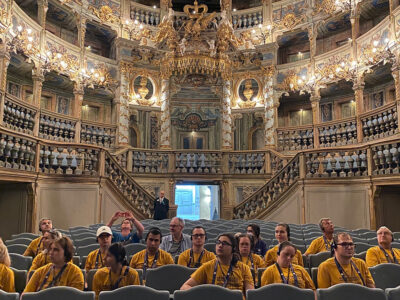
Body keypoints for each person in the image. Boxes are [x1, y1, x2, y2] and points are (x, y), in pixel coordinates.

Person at [180, 233, 254, 297]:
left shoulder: (244, 268)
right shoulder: (208, 266)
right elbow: (184, 287)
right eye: (218, 242)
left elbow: (250, 293)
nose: (220, 245)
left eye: (224, 243)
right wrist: (202, 295)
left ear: (234, 248)